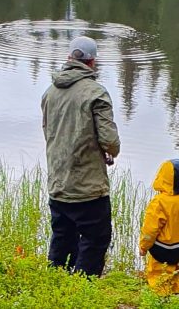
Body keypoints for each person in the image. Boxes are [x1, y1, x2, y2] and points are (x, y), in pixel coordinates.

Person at [41, 36, 121, 277]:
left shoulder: (49, 92)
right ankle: (83, 291)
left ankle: (55, 286)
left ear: (70, 57)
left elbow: (49, 133)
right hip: (88, 188)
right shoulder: (96, 93)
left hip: (58, 184)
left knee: (62, 238)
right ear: (92, 61)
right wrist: (109, 153)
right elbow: (110, 142)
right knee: (95, 240)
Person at [138, 159, 179, 296]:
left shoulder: (159, 203)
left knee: (157, 272)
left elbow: (150, 230)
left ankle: (162, 297)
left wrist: (143, 246)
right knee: (173, 267)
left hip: (161, 248)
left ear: (162, 178)